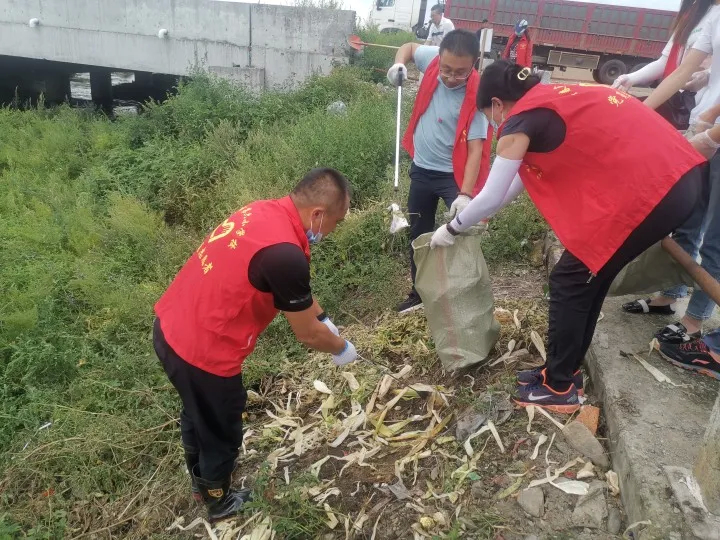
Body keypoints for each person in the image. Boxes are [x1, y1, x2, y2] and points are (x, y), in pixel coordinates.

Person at [430, 60, 706, 413]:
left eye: (490, 115)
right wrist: (476, 216)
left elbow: (493, 194)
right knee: (589, 275)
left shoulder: (521, 119)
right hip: (674, 178)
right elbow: (508, 188)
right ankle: (560, 374)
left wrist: (451, 229)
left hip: (657, 188)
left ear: (497, 103)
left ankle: (560, 386)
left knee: (571, 278)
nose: (495, 123)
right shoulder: (549, 100)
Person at [153, 168, 357, 522]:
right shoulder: (285, 254)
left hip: (171, 326)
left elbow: (299, 297)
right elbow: (307, 334)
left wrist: (323, 317)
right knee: (221, 426)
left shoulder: (262, 211)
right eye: (335, 223)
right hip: (204, 352)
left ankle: (199, 481)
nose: (333, 231)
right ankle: (217, 501)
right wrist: (340, 347)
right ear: (318, 214)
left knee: (196, 411)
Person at [622, 6, 720, 346]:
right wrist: (638, 111)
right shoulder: (712, 15)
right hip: (705, 126)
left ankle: (695, 319)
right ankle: (671, 294)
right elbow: (681, 71)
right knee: (687, 217)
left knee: (716, 236)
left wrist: (712, 132)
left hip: (714, 132)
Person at [387, 30, 493, 313]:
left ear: (475, 63)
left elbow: (475, 151)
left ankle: (459, 296)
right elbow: (408, 47)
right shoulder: (432, 59)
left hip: (452, 178)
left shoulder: (477, 96)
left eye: (460, 72)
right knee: (418, 237)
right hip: (422, 170)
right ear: (439, 57)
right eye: (446, 69)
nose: (450, 77)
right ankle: (419, 293)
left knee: (463, 234)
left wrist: (465, 194)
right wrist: (398, 64)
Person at [612, 0, 716, 130]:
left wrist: (708, 75)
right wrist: (631, 78)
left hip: (708, 108)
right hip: (682, 102)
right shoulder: (694, 14)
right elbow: (677, 68)